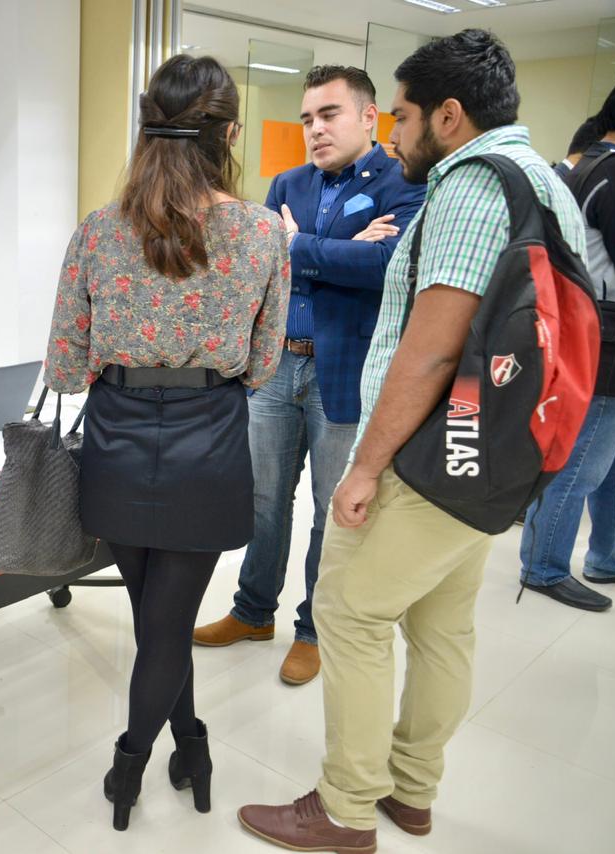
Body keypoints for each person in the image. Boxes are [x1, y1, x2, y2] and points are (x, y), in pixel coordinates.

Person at [238, 30, 587, 854]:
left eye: (399, 117)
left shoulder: (468, 188)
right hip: (499, 450)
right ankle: (413, 791)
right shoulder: (545, 179)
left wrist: (364, 466)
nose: (396, 137)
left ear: (450, 116)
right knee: (442, 627)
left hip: (434, 454)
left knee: (349, 613)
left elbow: (430, 347)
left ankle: (346, 807)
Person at [45, 54, 289, 832]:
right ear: (231, 134)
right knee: (166, 622)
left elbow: (65, 367)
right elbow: (263, 363)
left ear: (145, 127)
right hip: (209, 443)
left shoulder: (96, 231)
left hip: (116, 441)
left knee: (157, 618)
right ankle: (161, 756)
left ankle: (155, 753)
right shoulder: (260, 233)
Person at [192, 66, 425, 687]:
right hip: (277, 365)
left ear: (369, 117)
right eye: (306, 119)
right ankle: (252, 612)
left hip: (342, 373)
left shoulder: (401, 181)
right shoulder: (287, 182)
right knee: (264, 501)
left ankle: (315, 629)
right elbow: (258, 267)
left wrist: (301, 245)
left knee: (331, 509)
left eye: (329, 115)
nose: (315, 130)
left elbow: (387, 266)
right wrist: (343, 249)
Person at [518, 76, 615, 611]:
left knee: (609, 461)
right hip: (609, 340)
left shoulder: (584, 166)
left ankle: (610, 555)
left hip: (592, 331)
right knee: (583, 461)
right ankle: (543, 565)